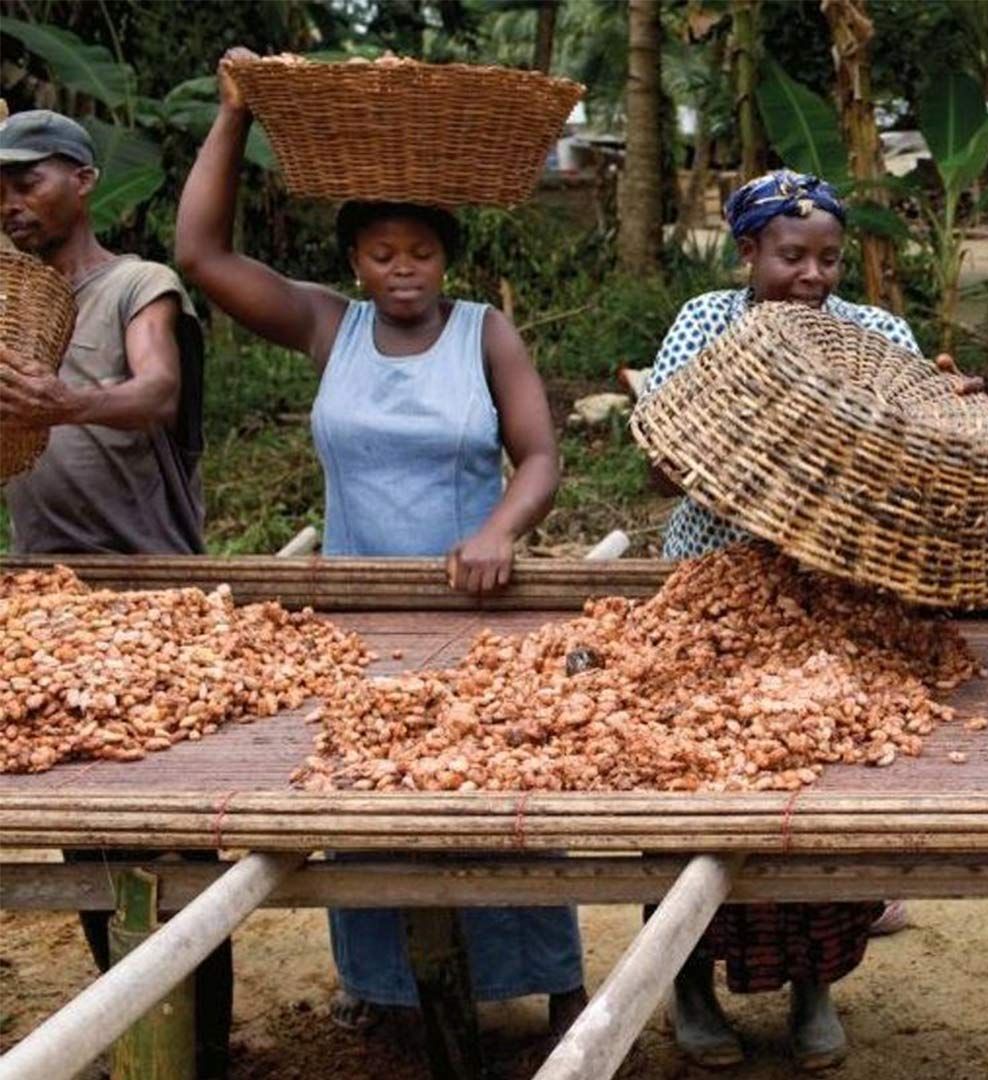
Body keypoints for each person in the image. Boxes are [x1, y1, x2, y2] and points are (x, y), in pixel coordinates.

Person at [175, 47, 583, 1035]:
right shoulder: (329, 327)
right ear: (354, 260)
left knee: (497, 796)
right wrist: (235, 115)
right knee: (364, 795)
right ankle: (387, 989)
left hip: (476, 608)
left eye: (422, 254)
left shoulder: (484, 332)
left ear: (448, 260)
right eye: (383, 254)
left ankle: (555, 981)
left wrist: (497, 530)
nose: (404, 272)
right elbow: (201, 257)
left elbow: (538, 456)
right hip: (356, 615)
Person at [639, 168, 979, 1071]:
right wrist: (754, 427)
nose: (814, 276)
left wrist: (946, 412)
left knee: (825, 788)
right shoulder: (706, 325)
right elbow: (661, 464)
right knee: (703, 783)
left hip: (841, 594)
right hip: (716, 584)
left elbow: (915, 461)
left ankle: (814, 986)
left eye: (829, 258)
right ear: (749, 252)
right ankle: (688, 984)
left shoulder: (878, 333)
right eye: (792, 256)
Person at [0, 108, 230, 1079]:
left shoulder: (139, 285)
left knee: (177, 830)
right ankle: (137, 1031)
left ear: (85, 180)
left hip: (149, 587)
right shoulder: (10, 300)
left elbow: (156, 393)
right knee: (82, 829)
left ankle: (201, 1047)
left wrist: (63, 402)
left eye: (29, 180)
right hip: (44, 587)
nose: (11, 200)